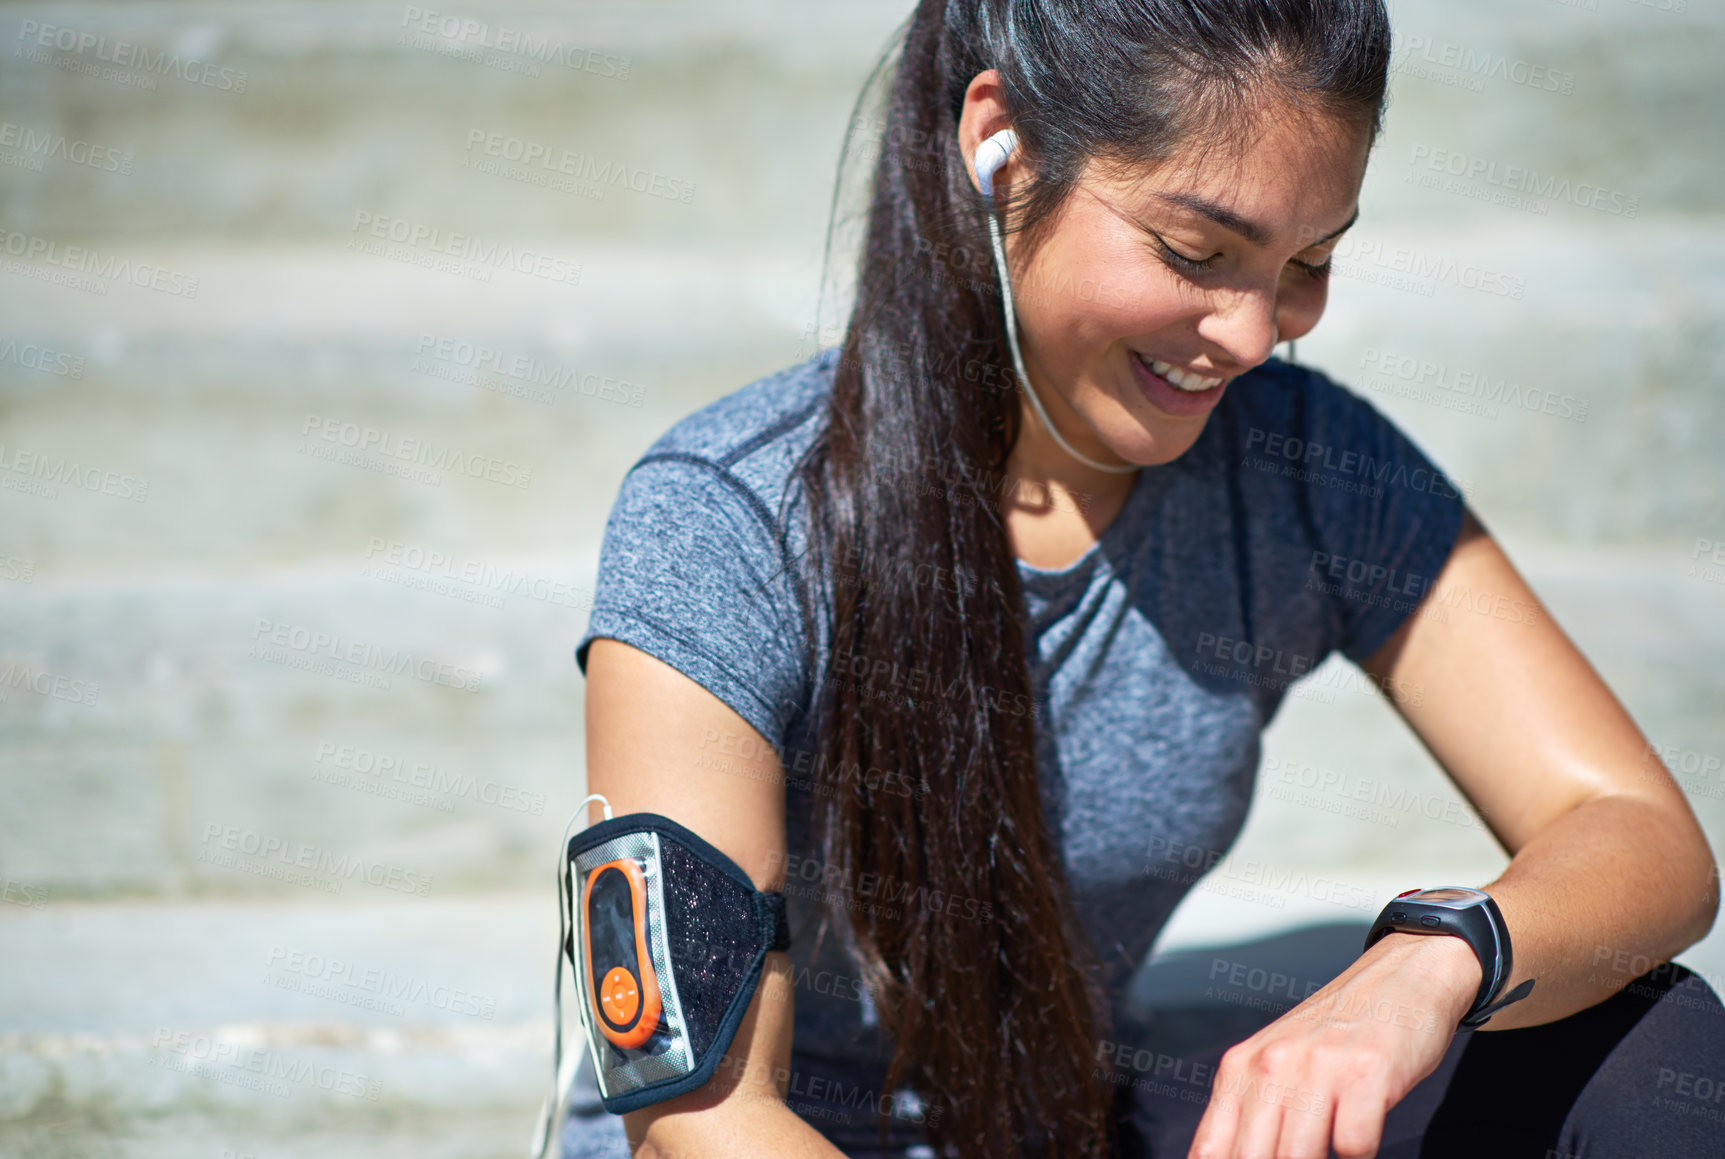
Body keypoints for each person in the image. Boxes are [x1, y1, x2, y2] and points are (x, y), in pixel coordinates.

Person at [563, 1, 1724, 1156]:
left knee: (1644, 1047)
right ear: (999, 146)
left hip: (1063, 1116)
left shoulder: (1306, 469)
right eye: (1196, 252)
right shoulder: (728, 516)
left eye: (1310, 260)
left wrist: (1438, 956)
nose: (1256, 332)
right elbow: (702, 1112)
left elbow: (1635, 832)